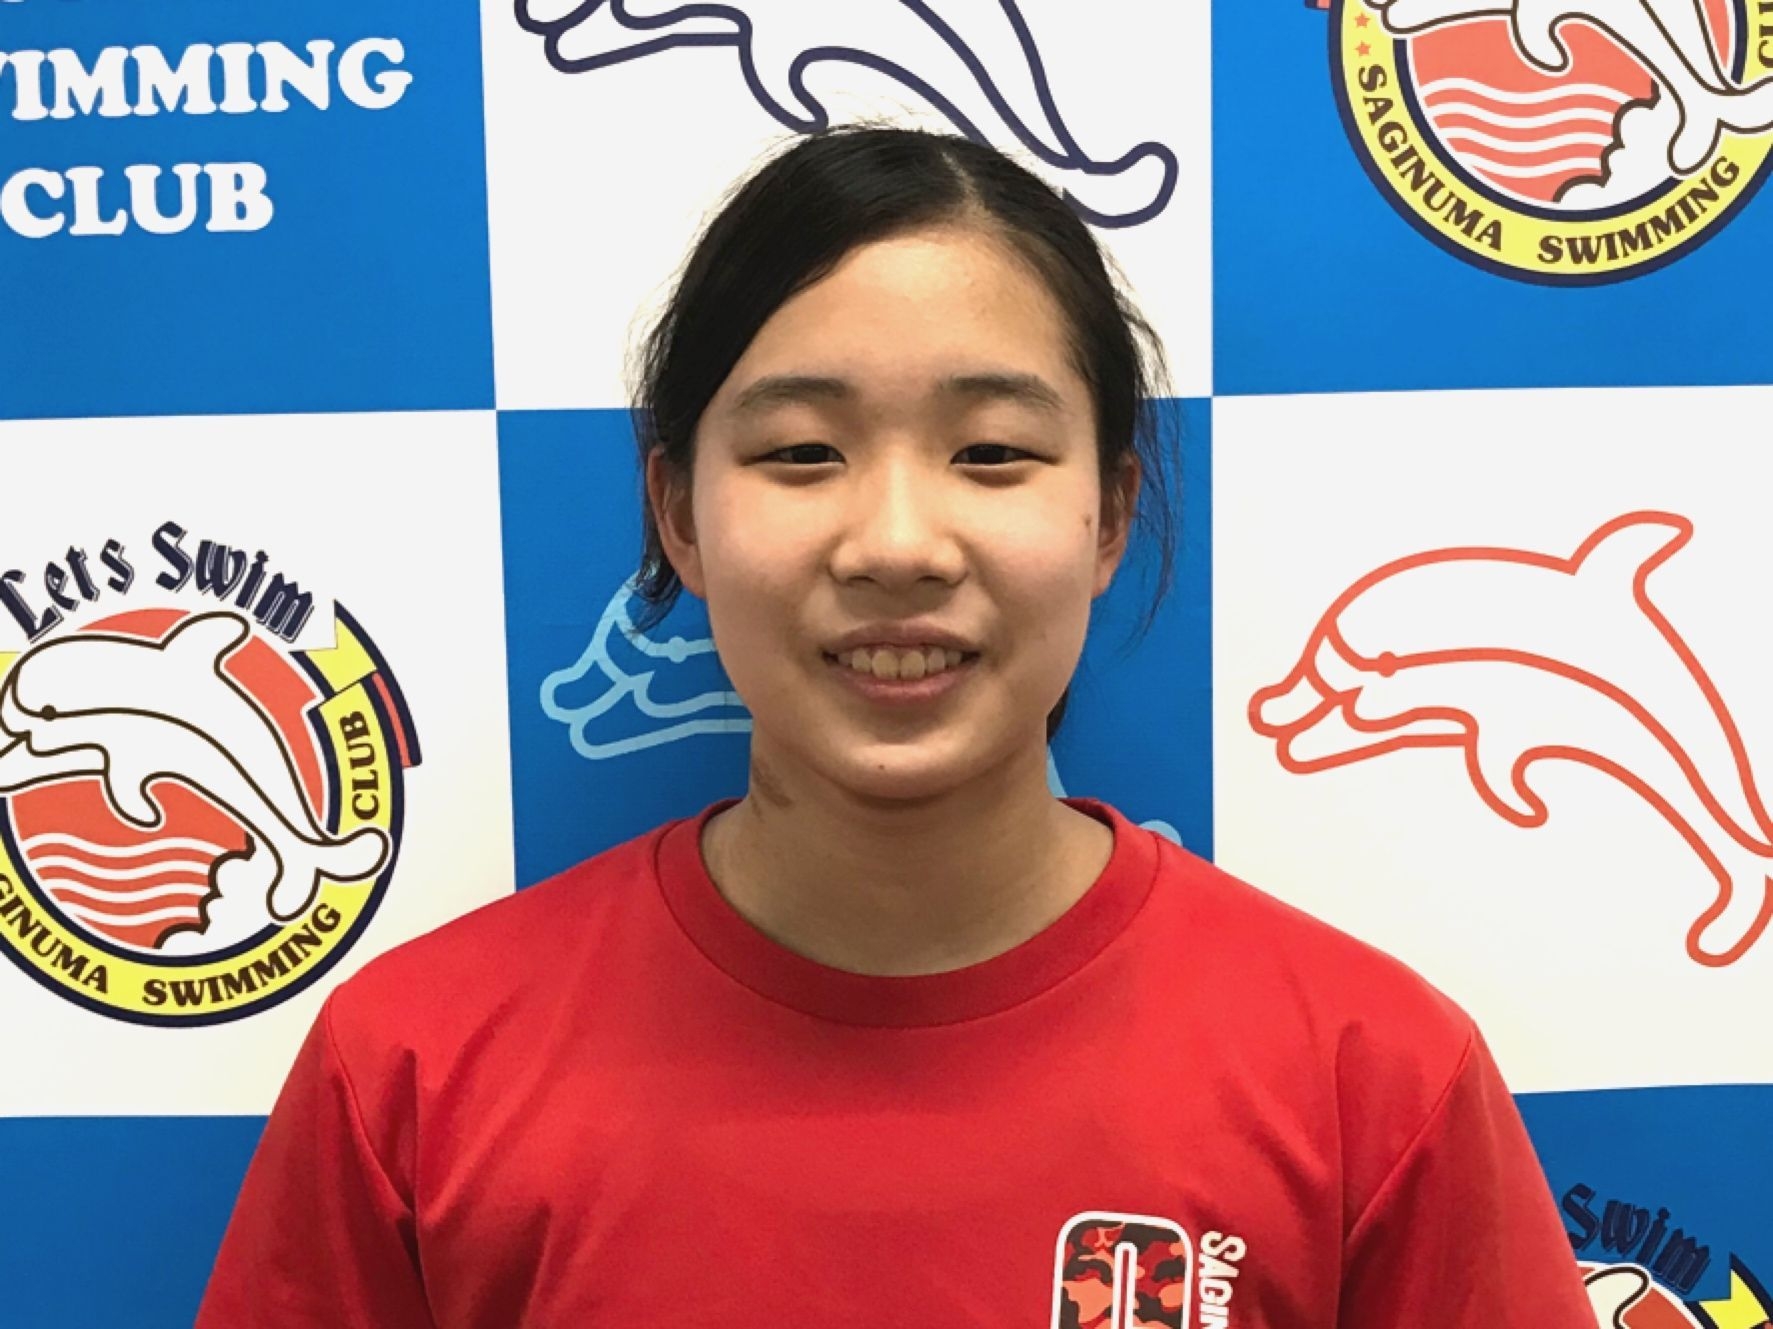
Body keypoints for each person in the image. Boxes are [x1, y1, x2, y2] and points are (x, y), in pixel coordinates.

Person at [196, 125, 1592, 1327]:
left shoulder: (1369, 1082)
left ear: (1108, 514)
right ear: (679, 515)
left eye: (992, 452)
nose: (898, 543)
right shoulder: (416, 1074)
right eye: (802, 452)